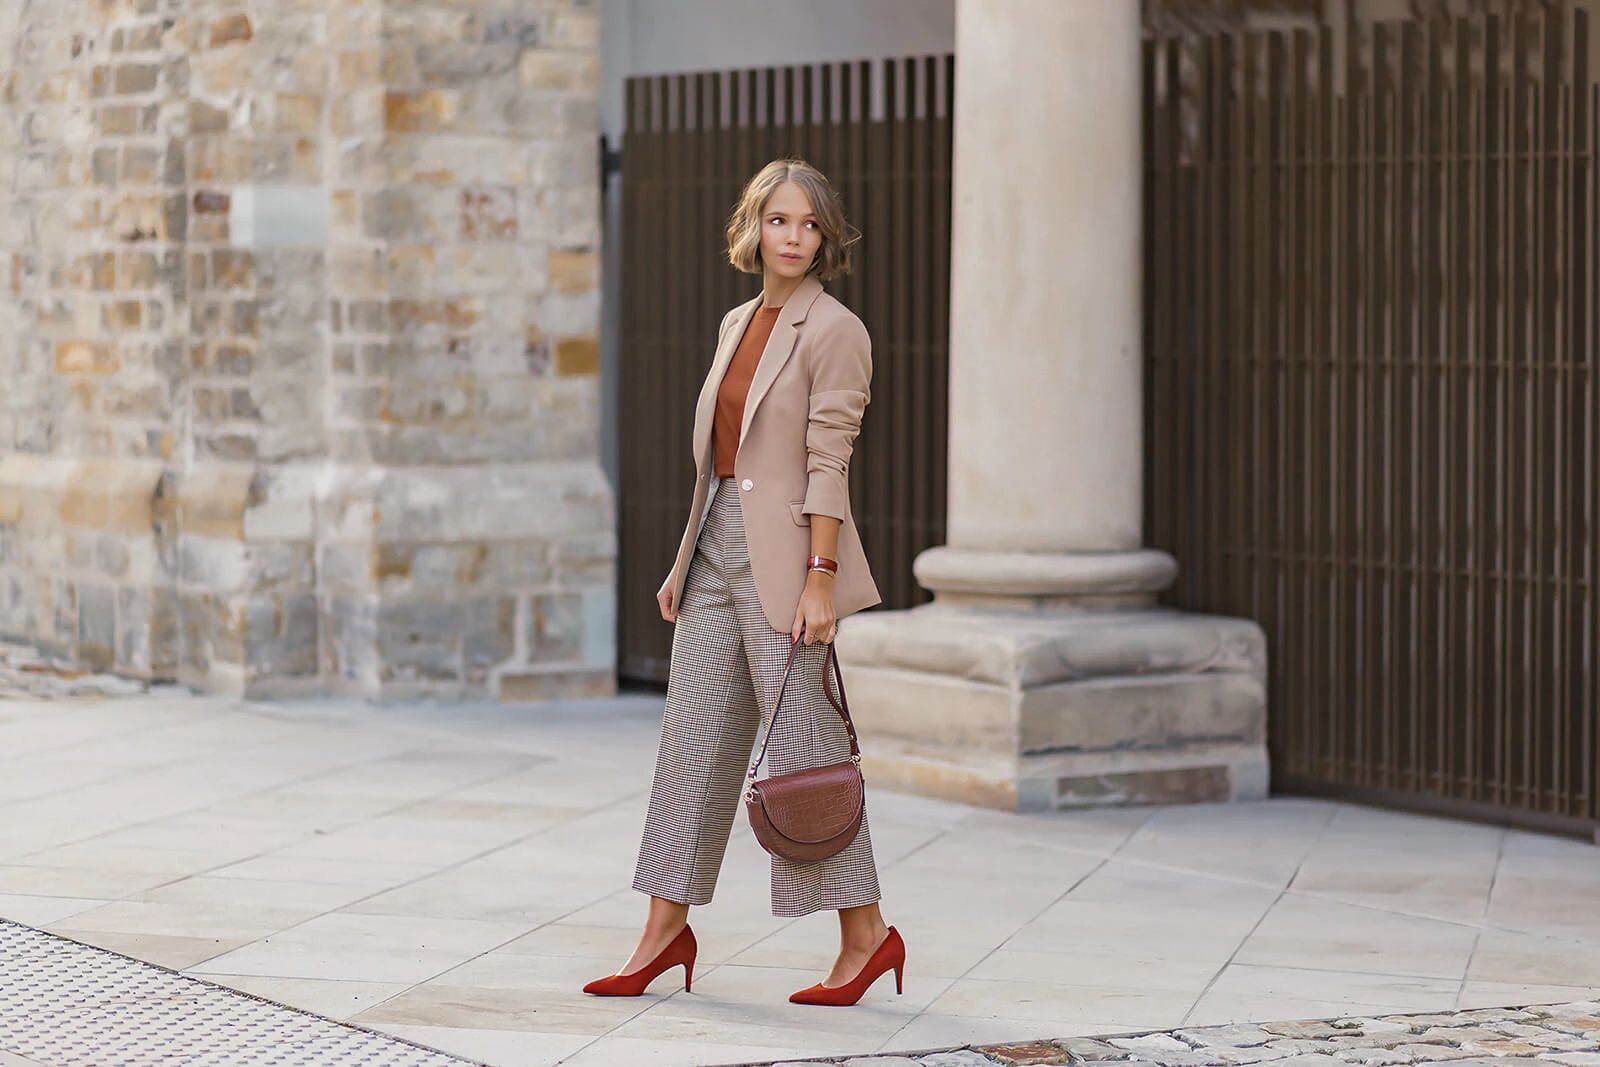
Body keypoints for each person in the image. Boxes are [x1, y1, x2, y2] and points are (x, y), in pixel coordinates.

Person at [583, 159, 904, 1006]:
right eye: (778, 221)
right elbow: (720, 461)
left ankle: (866, 934)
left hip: (791, 557)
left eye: (808, 224)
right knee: (689, 742)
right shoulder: (736, 321)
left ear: (825, 237)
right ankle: (663, 930)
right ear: (753, 229)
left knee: (805, 754)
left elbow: (828, 460)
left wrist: (821, 578)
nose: (793, 237)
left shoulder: (836, 330)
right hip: (715, 550)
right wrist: (685, 558)